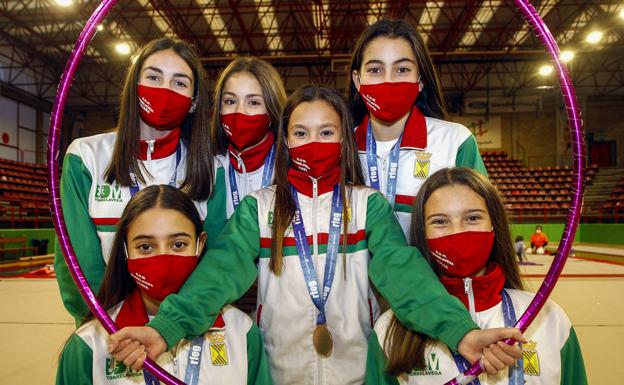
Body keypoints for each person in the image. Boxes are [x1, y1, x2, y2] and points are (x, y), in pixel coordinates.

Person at [109, 86, 523, 385]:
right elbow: (217, 275)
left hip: (358, 371)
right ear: (286, 140)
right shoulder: (260, 207)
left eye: (327, 132)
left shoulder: (367, 205)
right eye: (301, 133)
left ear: (344, 139)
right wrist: (166, 328)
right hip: (278, 370)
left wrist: (460, 331)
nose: (313, 142)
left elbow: (405, 275)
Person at [54, 38, 227, 322]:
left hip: (186, 325)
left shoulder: (211, 167)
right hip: (108, 325)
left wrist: (176, 323)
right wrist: (104, 322)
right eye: (153, 77)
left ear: (194, 102)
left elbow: (215, 259)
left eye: (179, 82)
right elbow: (77, 258)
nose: (164, 90)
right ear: (134, 86)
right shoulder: (85, 156)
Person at [366, 168, 587, 385]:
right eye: (440, 221)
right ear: (422, 232)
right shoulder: (389, 331)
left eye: (472, 218)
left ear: (493, 224)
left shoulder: (549, 318)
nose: (457, 232)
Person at [56, 185, 272, 385]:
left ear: (201, 244)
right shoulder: (89, 344)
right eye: (145, 246)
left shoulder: (241, 331)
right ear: (125, 251)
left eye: (178, 244)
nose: (163, 258)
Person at [347, 19, 487, 238]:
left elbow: (480, 223)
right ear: (358, 80)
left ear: (420, 80)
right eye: (375, 69)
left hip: (431, 273)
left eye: (402, 69)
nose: (388, 81)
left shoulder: (455, 141)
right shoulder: (340, 148)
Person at [211, 57, 287, 218]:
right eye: (230, 101)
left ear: (272, 109)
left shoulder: (290, 168)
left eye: (253, 102)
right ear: (219, 108)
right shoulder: (209, 168)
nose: (240, 111)